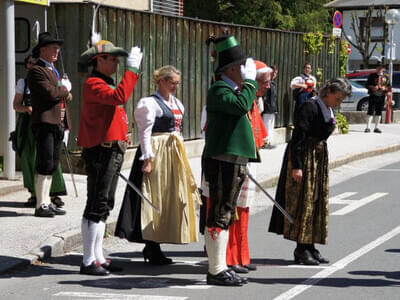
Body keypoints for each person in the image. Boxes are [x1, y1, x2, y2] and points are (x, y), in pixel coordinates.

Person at [115, 65, 201, 265]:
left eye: (177, 83)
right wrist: (147, 158)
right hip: (157, 151)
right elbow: (145, 133)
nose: (175, 87)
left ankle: (157, 242)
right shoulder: (149, 103)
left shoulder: (177, 103)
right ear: (161, 81)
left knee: (170, 196)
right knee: (154, 195)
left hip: (173, 153)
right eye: (172, 82)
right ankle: (151, 244)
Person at [76, 38, 143, 276]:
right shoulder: (94, 83)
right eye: (112, 58)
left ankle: (98, 256)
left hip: (111, 149)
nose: (116, 62)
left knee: (105, 204)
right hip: (101, 150)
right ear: (98, 60)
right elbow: (120, 97)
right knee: (97, 204)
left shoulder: (105, 82)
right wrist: (133, 69)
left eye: (118, 59)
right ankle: (87, 261)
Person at [268, 78, 351, 265]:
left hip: (318, 159)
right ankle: (301, 248)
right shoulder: (309, 107)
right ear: (328, 92)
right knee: (303, 203)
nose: (338, 103)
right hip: (305, 158)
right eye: (337, 99)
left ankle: (311, 245)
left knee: (315, 202)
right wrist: (297, 166)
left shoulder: (326, 108)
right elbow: (297, 138)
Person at [203, 35, 258, 286]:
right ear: (232, 69)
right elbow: (240, 106)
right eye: (242, 66)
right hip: (222, 159)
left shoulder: (230, 89)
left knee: (226, 212)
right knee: (220, 213)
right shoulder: (219, 90)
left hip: (232, 159)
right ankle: (215, 270)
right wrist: (250, 83)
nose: (245, 70)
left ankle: (221, 266)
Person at [226, 60, 268, 274]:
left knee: (243, 211)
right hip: (229, 162)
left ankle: (241, 256)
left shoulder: (254, 103)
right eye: (264, 82)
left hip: (246, 161)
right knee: (230, 213)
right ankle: (229, 258)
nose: (267, 86)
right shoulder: (233, 100)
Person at [27, 32, 72, 218]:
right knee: (44, 164)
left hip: (57, 122)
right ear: (43, 50)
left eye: (58, 48)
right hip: (45, 122)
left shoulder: (52, 69)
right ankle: (41, 204)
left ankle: (47, 201)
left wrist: (62, 90)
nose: (57, 51)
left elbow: (58, 93)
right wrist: (65, 88)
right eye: (53, 48)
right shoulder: (37, 70)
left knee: (52, 164)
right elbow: (50, 93)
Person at [364, 65, 389, 133]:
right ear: (376, 68)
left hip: (381, 96)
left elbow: (389, 87)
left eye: (381, 68)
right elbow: (366, 85)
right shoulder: (372, 75)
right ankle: (368, 127)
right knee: (370, 111)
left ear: (383, 69)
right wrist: (372, 87)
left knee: (379, 111)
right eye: (378, 68)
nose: (379, 69)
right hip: (373, 95)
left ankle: (376, 128)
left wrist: (385, 89)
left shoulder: (386, 76)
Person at [262, 65, 279, 148]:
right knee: (266, 125)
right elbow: (265, 96)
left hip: (272, 107)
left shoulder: (273, 83)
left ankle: (269, 141)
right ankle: (265, 141)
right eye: (273, 72)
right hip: (267, 107)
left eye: (275, 73)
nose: (274, 74)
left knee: (271, 125)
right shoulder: (266, 82)